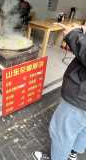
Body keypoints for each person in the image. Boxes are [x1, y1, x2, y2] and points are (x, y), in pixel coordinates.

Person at [33, 23, 86, 160]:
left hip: (81, 97)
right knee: (83, 128)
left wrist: (73, 34)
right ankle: (73, 152)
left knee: (62, 133)